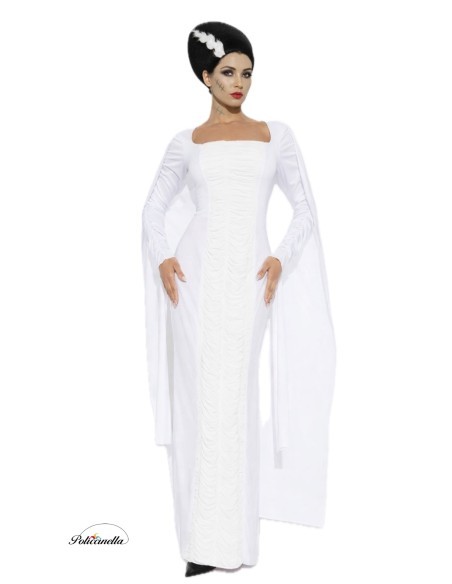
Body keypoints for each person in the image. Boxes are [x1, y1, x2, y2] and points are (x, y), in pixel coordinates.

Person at [141, 21, 336, 577]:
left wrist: (281, 257)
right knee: (199, 398)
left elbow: (305, 207)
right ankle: (199, 544)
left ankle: (233, 541)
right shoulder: (186, 143)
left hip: (251, 283)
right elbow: (153, 208)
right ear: (205, 76)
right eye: (228, 72)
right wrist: (163, 256)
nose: (239, 83)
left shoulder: (276, 136)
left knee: (235, 395)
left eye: (247, 73)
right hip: (193, 284)